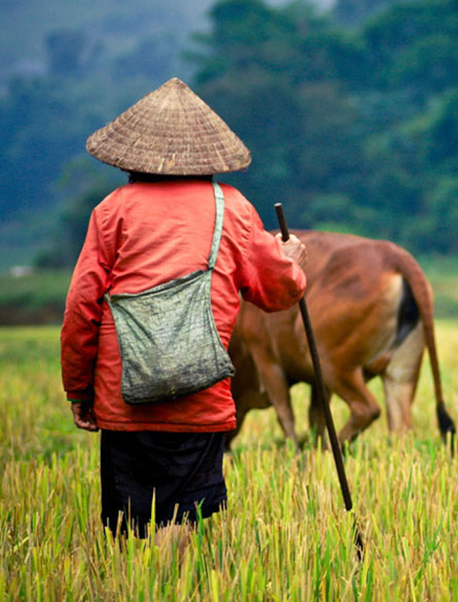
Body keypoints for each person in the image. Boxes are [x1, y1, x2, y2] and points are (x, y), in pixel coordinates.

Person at [60, 77, 307, 545]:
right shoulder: (232, 208)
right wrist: (292, 263)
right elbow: (276, 292)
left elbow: (81, 308)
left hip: (122, 394)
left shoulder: (111, 211)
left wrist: (78, 388)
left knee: (130, 521)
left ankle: (132, 588)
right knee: (180, 518)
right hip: (199, 393)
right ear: (209, 157)